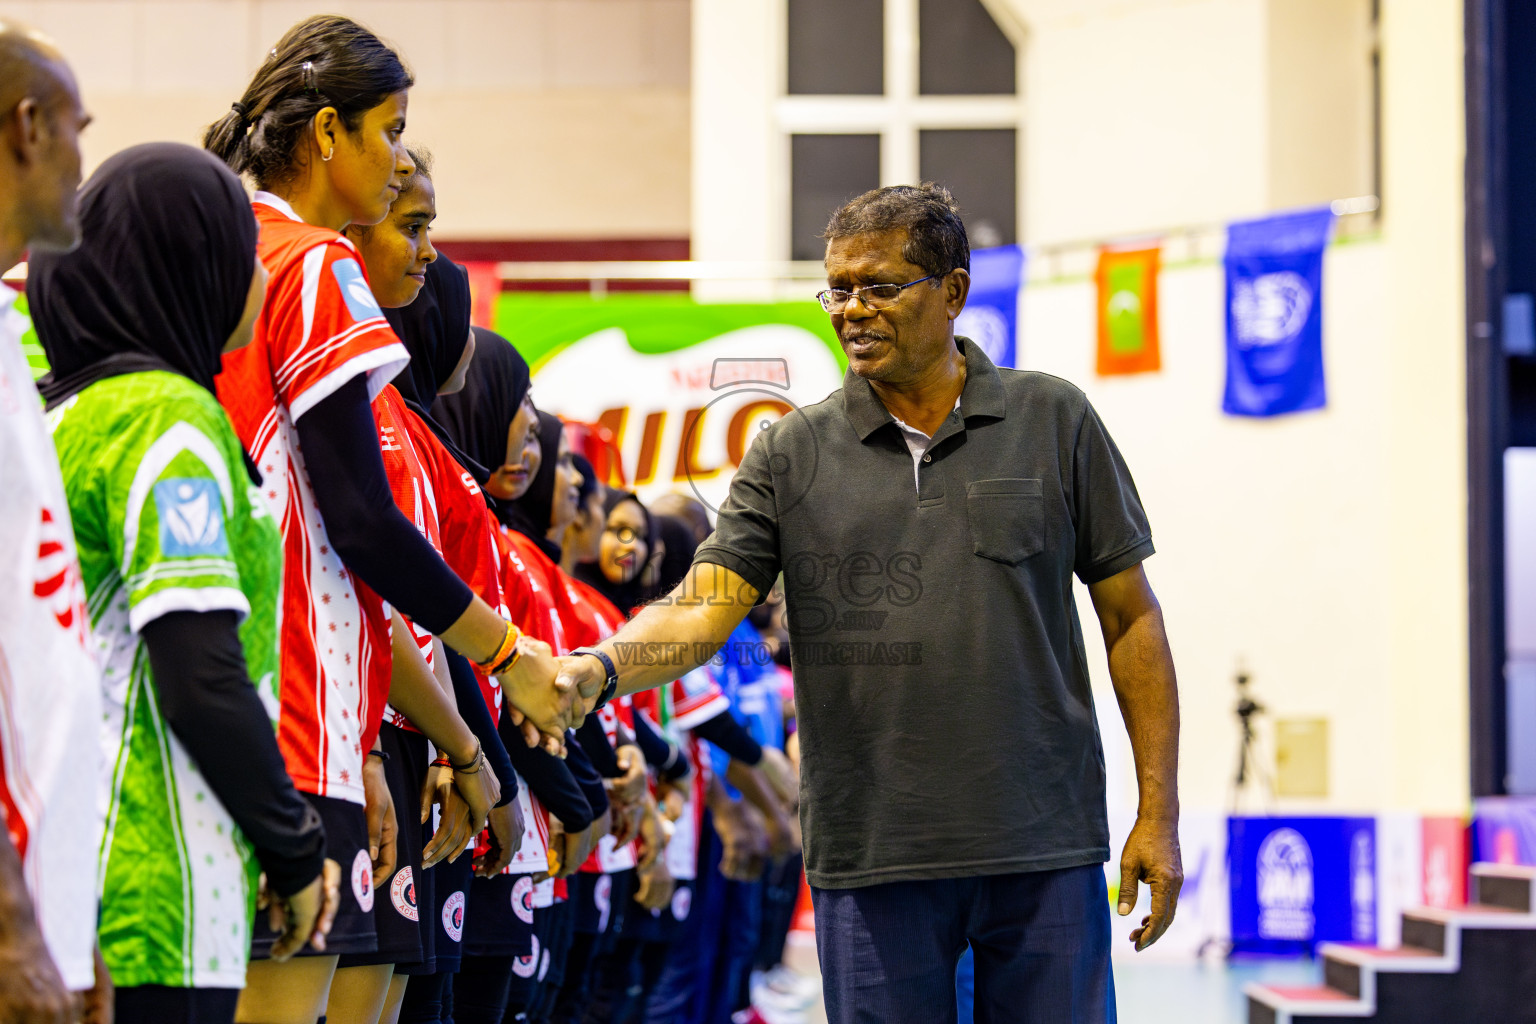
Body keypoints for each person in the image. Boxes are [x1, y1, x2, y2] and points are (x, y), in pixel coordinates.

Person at [554, 183, 1182, 1024]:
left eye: (879, 286)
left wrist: (1159, 814)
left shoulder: (1053, 418)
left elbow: (1131, 618)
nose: (852, 309)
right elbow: (702, 609)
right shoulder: (788, 451)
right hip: (873, 857)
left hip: (1043, 846)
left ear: (952, 292)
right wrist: (596, 670)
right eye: (838, 288)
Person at [203, 16, 558, 1022]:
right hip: (294, 711)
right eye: (390, 130)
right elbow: (359, 520)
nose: (398, 160)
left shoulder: (218, 245)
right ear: (328, 135)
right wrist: (506, 653)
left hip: (226, 694)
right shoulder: (309, 262)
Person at [30, 143, 340, 1024]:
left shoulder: (67, 416)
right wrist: (292, 847)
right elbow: (200, 673)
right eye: (240, 254)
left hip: (77, 880)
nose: (259, 279)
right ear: (185, 268)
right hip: (149, 894)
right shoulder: (169, 423)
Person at [0, 19, 110, 1024]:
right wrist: (13, 925)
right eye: (78, 128)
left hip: (46, 903)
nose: (87, 157)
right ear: (27, 127)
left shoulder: (6, 333)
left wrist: (69, 928)